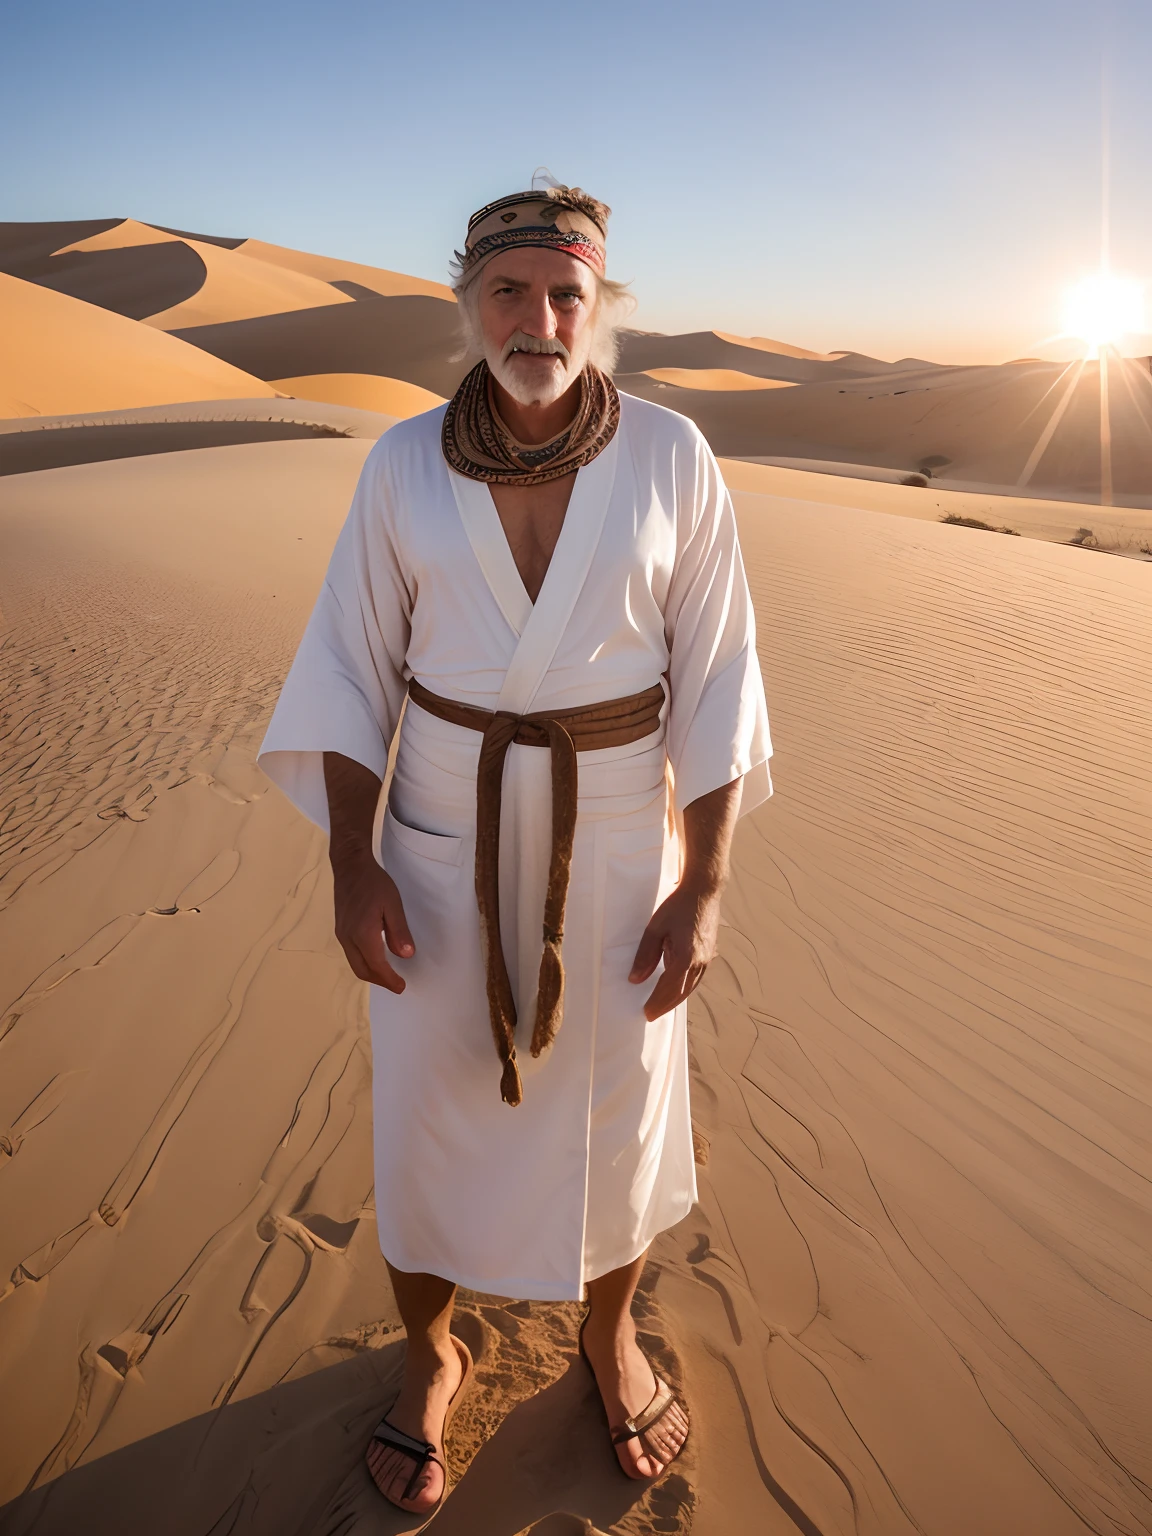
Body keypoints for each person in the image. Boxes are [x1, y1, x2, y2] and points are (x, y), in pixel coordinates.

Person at [258, 181, 772, 1514]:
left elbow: (718, 680)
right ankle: (430, 1353)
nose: (537, 319)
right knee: (428, 1121)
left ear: (597, 310)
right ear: (466, 301)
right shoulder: (399, 466)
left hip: (618, 850)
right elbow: (348, 673)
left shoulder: (672, 458)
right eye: (508, 291)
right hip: (435, 841)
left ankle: (606, 1337)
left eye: (565, 295)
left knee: (619, 1118)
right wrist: (352, 863)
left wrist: (704, 882)